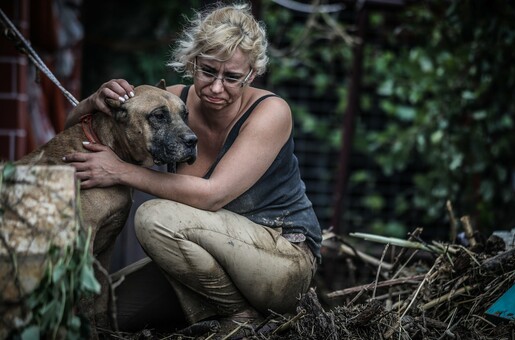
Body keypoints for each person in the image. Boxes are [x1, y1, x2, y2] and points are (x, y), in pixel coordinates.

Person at [63, 2, 322, 336]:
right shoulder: (168, 104)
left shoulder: (271, 111)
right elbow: (74, 137)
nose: (216, 88)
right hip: (205, 262)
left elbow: (212, 195)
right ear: (193, 62)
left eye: (231, 78)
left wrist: (121, 171)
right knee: (101, 317)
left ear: (251, 75)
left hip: (281, 261)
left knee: (154, 217)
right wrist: (92, 103)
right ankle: (211, 311)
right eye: (208, 71)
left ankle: (241, 317)